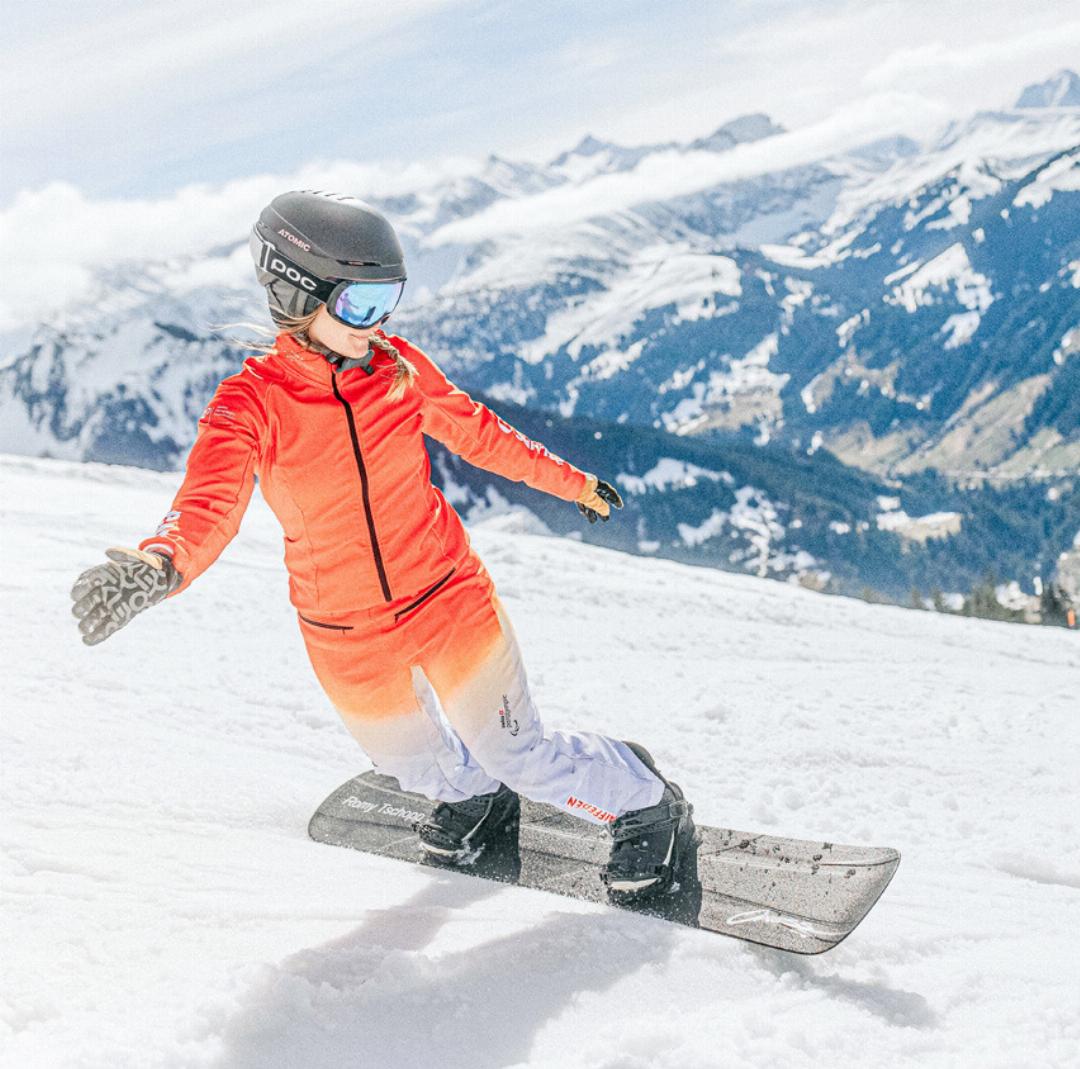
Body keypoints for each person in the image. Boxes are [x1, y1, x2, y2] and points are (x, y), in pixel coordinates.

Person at [69, 190, 696, 896]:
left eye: (388, 300)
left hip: (447, 597)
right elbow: (207, 504)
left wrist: (572, 483)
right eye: (361, 304)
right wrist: (159, 565)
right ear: (296, 294)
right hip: (345, 631)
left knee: (519, 755)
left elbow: (479, 433)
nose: (379, 324)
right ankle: (477, 801)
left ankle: (646, 802)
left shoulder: (397, 368)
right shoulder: (251, 405)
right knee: (415, 766)